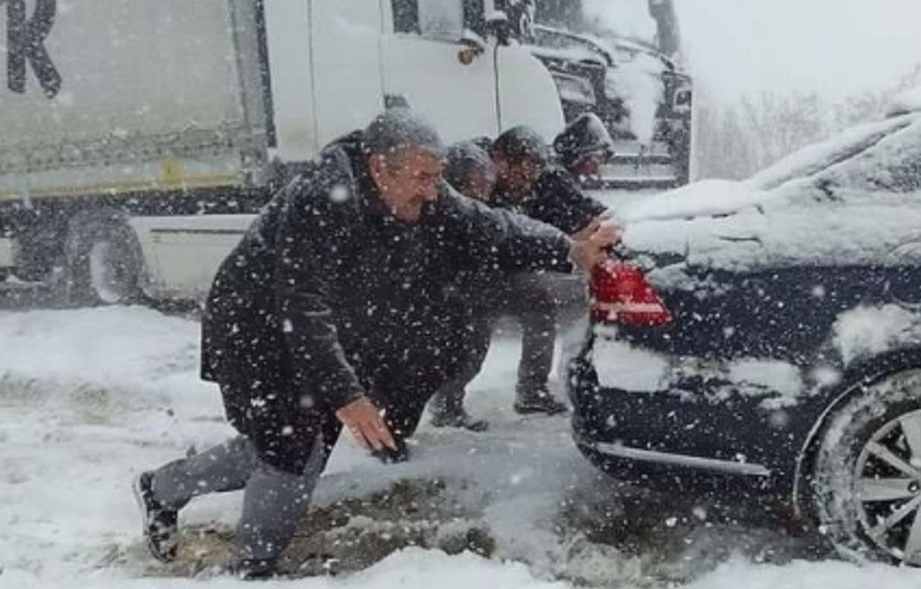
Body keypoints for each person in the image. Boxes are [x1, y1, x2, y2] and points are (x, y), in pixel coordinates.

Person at [131, 109, 616, 579]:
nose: (432, 193)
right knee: (291, 445)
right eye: (423, 178)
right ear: (379, 166)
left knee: (290, 444)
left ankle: (161, 488)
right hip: (256, 327)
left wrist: (569, 250)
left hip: (311, 328)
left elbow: (486, 225)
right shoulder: (322, 199)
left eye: (437, 177)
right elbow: (302, 305)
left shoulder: (416, 187)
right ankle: (254, 569)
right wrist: (347, 396)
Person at [432, 118, 614, 422]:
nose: (526, 184)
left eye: (532, 177)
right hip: (461, 271)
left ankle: (532, 392)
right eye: (522, 175)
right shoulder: (469, 169)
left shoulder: (526, 176)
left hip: (493, 265)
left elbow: (521, 230)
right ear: (501, 160)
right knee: (473, 335)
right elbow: (489, 233)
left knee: (538, 303)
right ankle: (446, 405)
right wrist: (561, 252)